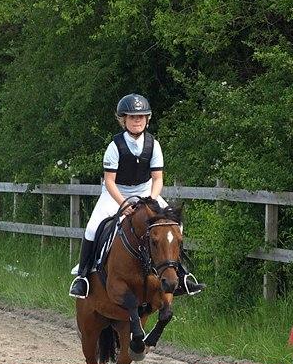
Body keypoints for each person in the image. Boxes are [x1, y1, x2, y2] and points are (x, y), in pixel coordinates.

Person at [69, 93, 205, 299]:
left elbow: (158, 179)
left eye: (141, 117)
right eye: (132, 117)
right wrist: (123, 204)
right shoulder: (114, 146)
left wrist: (151, 199)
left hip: (145, 190)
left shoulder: (154, 145)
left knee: (174, 225)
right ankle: (83, 277)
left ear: (147, 119)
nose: (137, 121)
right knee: (92, 228)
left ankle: (181, 275)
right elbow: (109, 181)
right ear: (124, 120)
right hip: (116, 192)